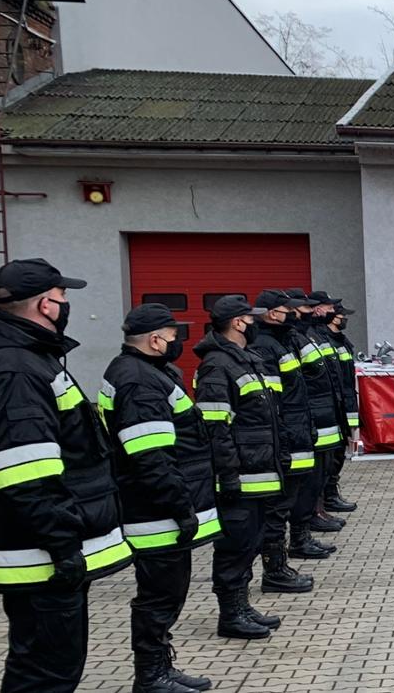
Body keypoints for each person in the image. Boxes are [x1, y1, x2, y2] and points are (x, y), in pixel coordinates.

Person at [0, 258, 132, 693]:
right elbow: (25, 472)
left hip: (40, 548)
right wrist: (64, 545)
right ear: (46, 305)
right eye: (63, 298)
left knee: (46, 668)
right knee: (45, 675)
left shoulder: (22, 358)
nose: (65, 305)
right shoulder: (17, 368)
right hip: (40, 556)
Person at [100, 304, 222, 693]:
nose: (177, 343)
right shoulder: (138, 381)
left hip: (157, 509)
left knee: (165, 595)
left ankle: (159, 668)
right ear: (155, 340)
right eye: (172, 337)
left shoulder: (141, 372)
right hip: (155, 515)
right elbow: (151, 457)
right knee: (159, 597)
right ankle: (151, 676)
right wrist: (180, 508)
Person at [195, 294, 284, 638]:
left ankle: (243, 606)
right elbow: (216, 427)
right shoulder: (217, 365)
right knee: (235, 545)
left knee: (250, 542)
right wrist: (228, 474)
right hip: (240, 476)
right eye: (250, 318)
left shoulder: (244, 360)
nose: (254, 323)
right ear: (237, 322)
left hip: (258, 471)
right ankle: (230, 614)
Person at [249, 289, 330, 595]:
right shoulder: (266, 346)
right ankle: (275, 569)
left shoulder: (284, 340)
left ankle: (288, 553)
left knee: (298, 494)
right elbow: (273, 402)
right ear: (272, 313)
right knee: (278, 507)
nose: (296, 313)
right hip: (286, 436)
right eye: (289, 309)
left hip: (297, 431)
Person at [287, 289, 346, 536]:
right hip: (309, 418)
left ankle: (318, 511)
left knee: (323, 470)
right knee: (309, 477)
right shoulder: (293, 339)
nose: (314, 313)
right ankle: (306, 525)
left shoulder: (310, 336)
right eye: (307, 309)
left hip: (324, 414)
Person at [315, 292, 360, 512]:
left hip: (344, 402)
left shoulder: (340, 340)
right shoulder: (321, 339)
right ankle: (326, 498)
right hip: (332, 404)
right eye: (340, 314)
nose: (342, 318)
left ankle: (331, 495)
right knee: (329, 458)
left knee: (339, 452)